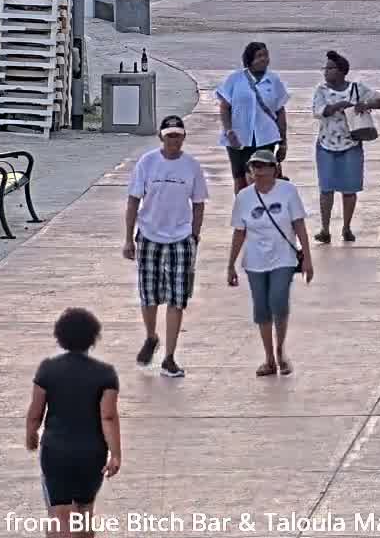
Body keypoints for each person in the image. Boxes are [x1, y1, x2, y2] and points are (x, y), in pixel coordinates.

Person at [25, 308, 121, 538]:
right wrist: (116, 454)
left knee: (58, 514)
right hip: (92, 453)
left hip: (56, 451)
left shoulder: (48, 369)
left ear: (60, 336)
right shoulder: (105, 374)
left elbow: (36, 413)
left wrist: (31, 435)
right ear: (93, 337)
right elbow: (108, 416)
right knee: (84, 512)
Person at [124, 115, 208, 378]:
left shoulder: (192, 166)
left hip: (180, 238)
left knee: (177, 298)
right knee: (149, 295)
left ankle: (170, 356)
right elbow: (133, 200)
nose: (174, 140)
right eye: (169, 135)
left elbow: (199, 203)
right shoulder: (147, 163)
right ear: (161, 136)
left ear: (184, 138)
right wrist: (128, 238)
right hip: (149, 235)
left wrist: (194, 234)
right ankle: (151, 336)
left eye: (178, 136)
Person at [226, 149, 314, 377]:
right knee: (262, 309)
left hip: (283, 257)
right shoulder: (244, 197)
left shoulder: (288, 191)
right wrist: (231, 264)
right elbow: (239, 232)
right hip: (255, 260)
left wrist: (307, 258)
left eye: (263, 166)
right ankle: (269, 358)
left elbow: (299, 224)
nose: (259, 171)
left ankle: (280, 349)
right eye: (255, 167)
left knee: (278, 300)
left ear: (274, 169)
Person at [311, 50, 380, 244]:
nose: (326, 71)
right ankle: (325, 229)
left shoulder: (356, 88)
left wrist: (366, 104)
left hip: (351, 144)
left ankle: (346, 227)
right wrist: (339, 105)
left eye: (330, 68)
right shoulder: (321, 90)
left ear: (341, 71)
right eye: (325, 68)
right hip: (326, 144)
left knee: (349, 190)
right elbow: (319, 111)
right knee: (326, 189)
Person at [216, 40, 289, 193]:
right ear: (250, 59)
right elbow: (224, 107)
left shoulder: (273, 80)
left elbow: (280, 111)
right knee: (240, 179)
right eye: (259, 56)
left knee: (261, 178)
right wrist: (229, 131)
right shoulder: (235, 79)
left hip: (265, 139)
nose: (264, 59)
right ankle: (242, 206)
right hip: (238, 138)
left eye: (266, 55)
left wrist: (283, 142)